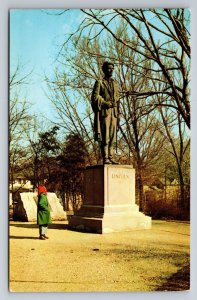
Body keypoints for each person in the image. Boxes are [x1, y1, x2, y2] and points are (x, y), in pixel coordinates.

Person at [91, 61, 120, 164]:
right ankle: (106, 157)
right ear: (104, 70)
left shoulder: (115, 83)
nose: (111, 70)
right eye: (109, 68)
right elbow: (95, 97)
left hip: (114, 113)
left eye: (112, 68)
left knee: (113, 137)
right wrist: (105, 103)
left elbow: (118, 100)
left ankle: (111, 156)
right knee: (106, 137)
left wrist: (119, 115)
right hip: (105, 112)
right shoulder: (99, 82)